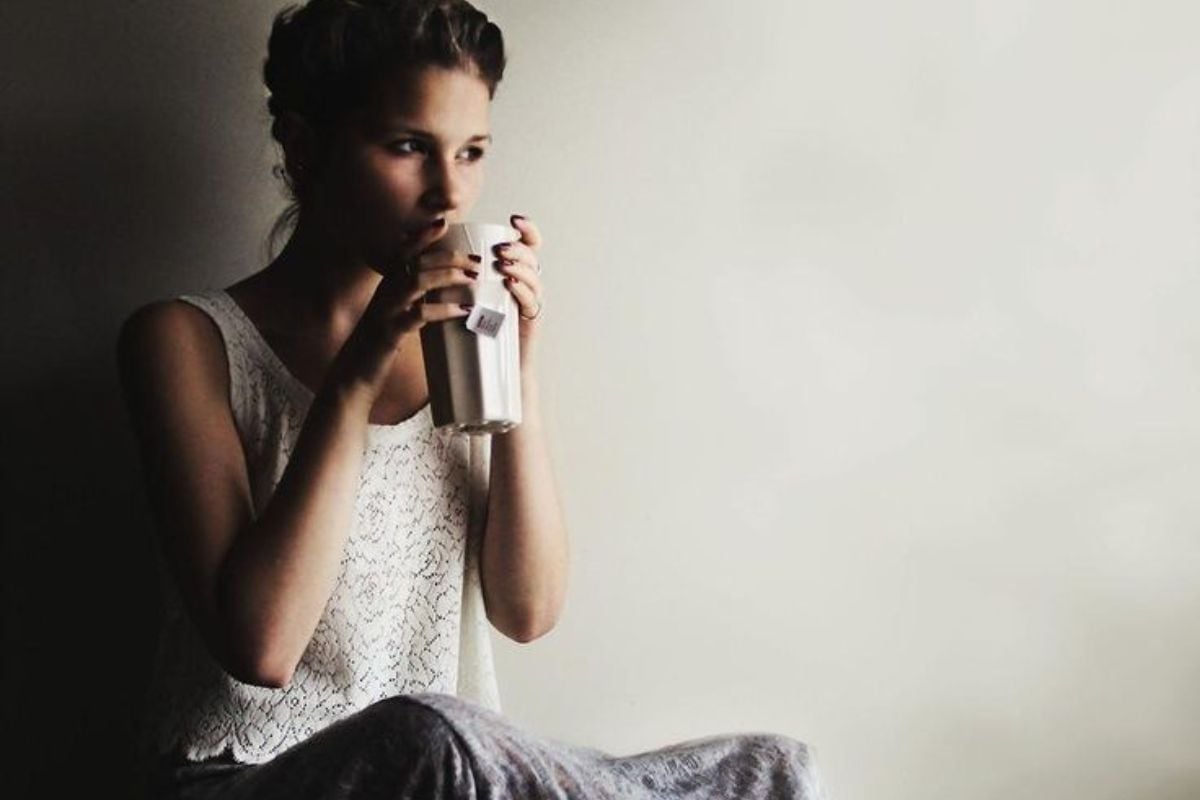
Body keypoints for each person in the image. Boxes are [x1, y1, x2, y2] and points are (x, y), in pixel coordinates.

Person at [117, 1, 827, 797]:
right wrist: (358, 372)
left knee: (768, 768)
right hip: (244, 777)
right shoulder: (183, 341)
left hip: (454, 776)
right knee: (430, 731)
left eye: (472, 151)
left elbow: (527, 611)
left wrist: (516, 361)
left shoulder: (463, 348)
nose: (448, 192)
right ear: (306, 146)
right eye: (409, 147)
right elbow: (263, 647)